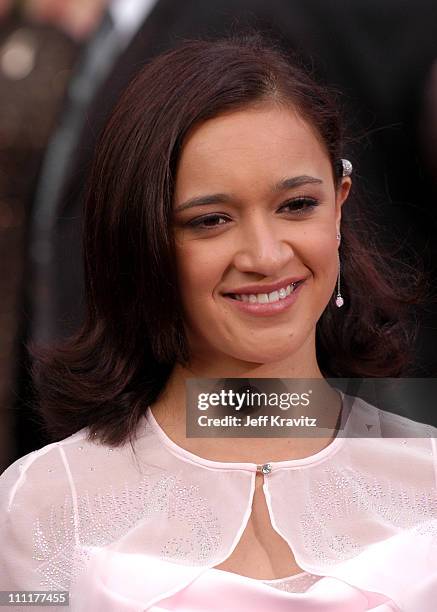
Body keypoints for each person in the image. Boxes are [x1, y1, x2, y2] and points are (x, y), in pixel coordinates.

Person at [1, 35, 436, 611]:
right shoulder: (46, 502)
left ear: (340, 206)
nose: (264, 255)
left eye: (297, 205)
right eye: (211, 220)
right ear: (144, 244)